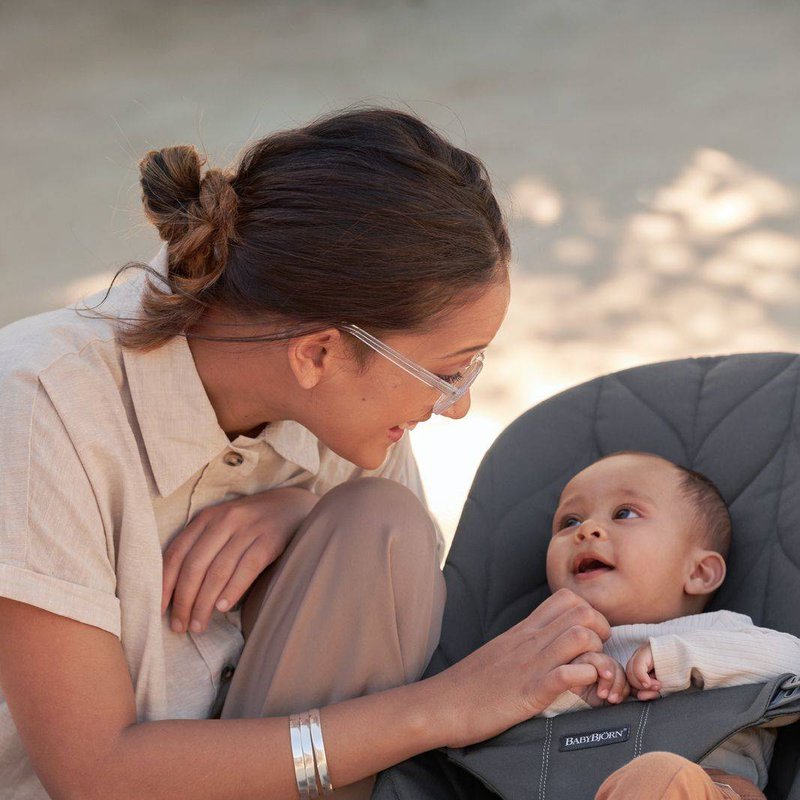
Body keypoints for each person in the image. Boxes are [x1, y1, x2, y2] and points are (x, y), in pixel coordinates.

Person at [0, 107, 612, 800]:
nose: (458, 404)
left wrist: (303, 509)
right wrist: (444, 707)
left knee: (380, 522)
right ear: (318, 352)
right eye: (449, 372)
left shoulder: (344, 424)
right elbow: (93, 774)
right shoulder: (39, 406)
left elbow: (393, 603)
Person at [543, 451, 800, 800]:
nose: (586, 530)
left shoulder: (719, 632)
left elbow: (792, 661)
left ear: (698, 572)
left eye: (625, 513)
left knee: (662, 776)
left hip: (707, 785)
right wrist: (566, 687)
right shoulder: (549, 647)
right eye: (569, 522)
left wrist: (676, 658)